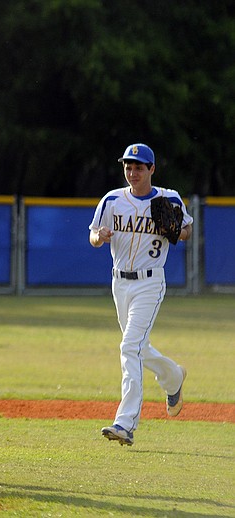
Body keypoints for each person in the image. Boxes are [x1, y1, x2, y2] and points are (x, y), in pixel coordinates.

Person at [89, 143, 192, 446]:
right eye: (128, 167)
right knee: (138, 347)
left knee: (129, 346)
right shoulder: (112, 200)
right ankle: (173, 377)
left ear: (152, 170)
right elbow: (93, 234)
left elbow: (186, 231)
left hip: (150, 283)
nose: (132, 173)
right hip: (119, 283)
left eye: (139, 167)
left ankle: (125, 422)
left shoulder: (168, 198)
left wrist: (174, 229)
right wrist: (99, 237)